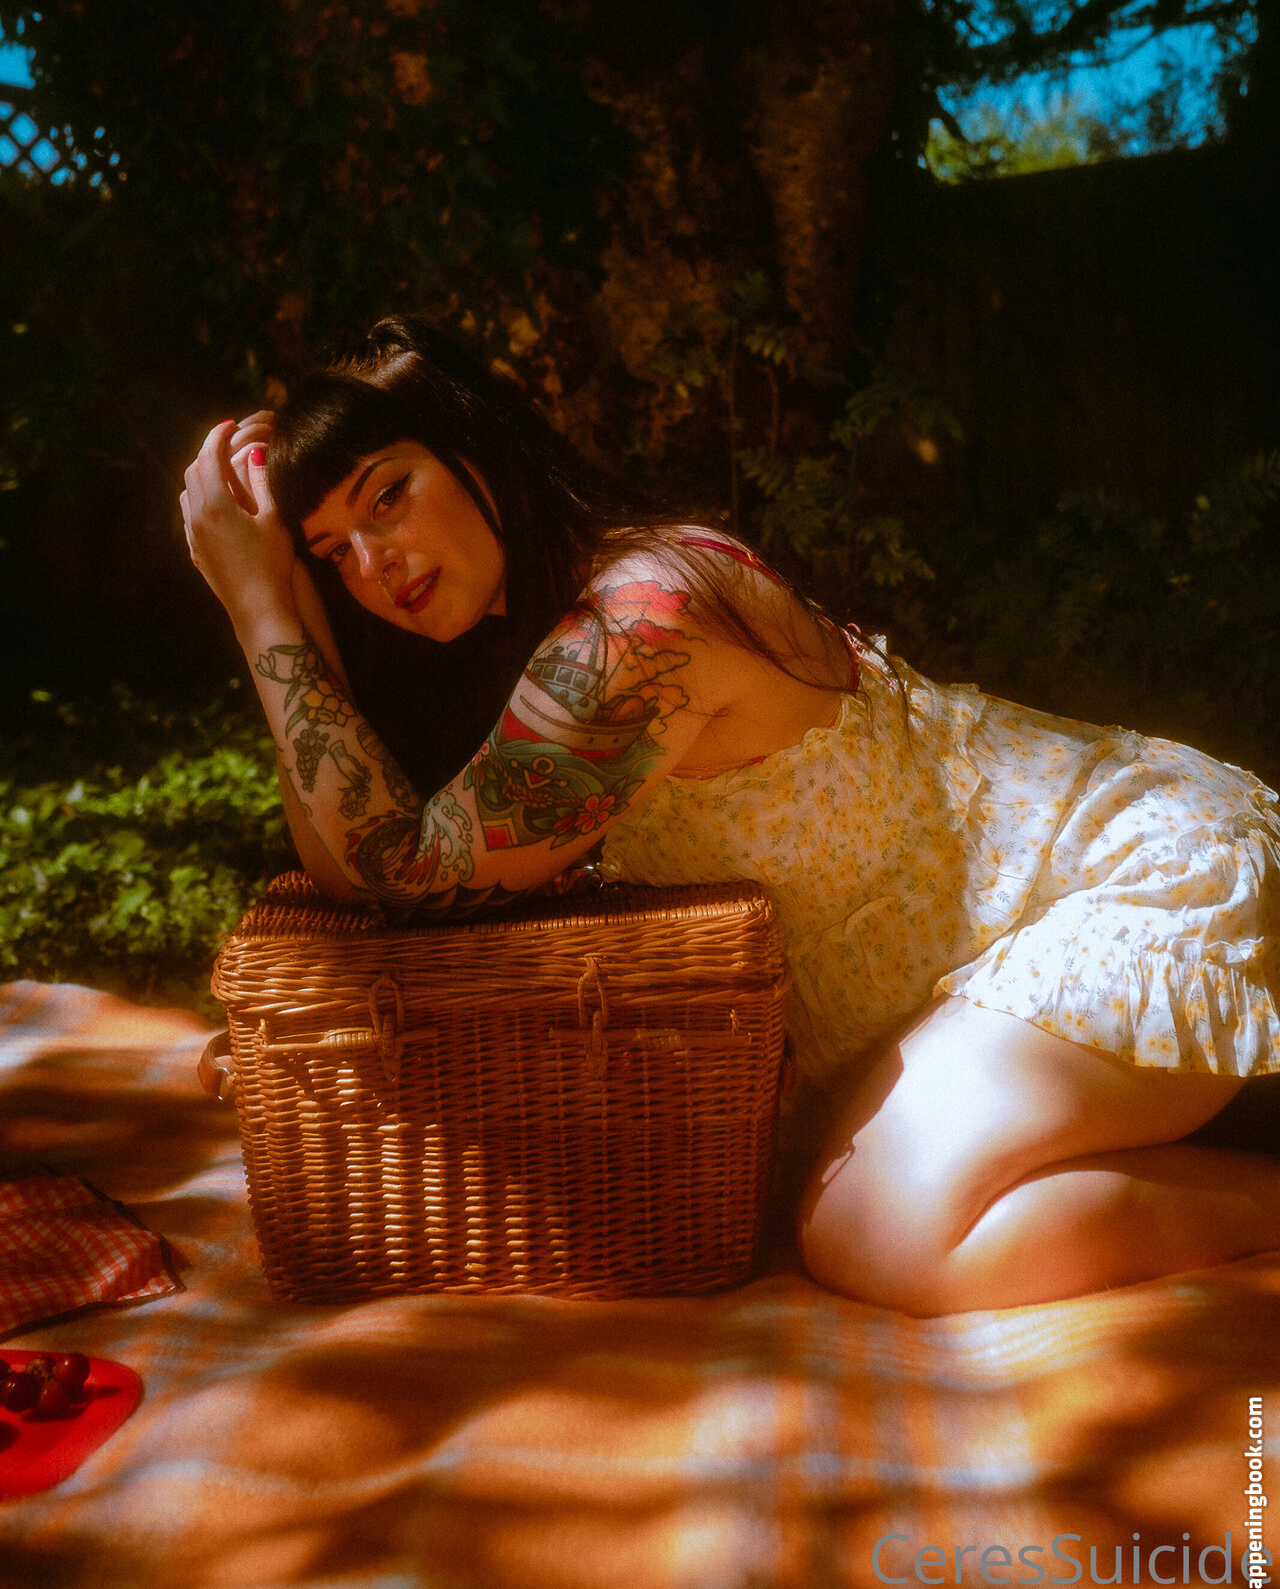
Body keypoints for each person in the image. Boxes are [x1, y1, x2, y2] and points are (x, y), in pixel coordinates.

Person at [182, 318, 1280, 1317]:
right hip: (988, 957)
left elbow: (401, 868)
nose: (374, 564)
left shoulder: (639, 619)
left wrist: (261, 604)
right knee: (844, 1213)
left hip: (1136, 881)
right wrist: (291, 611)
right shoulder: (547, 632)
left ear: (472, 447)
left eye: (386, 496)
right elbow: (356, 874)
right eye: (332, 553)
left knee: (872, 1233)